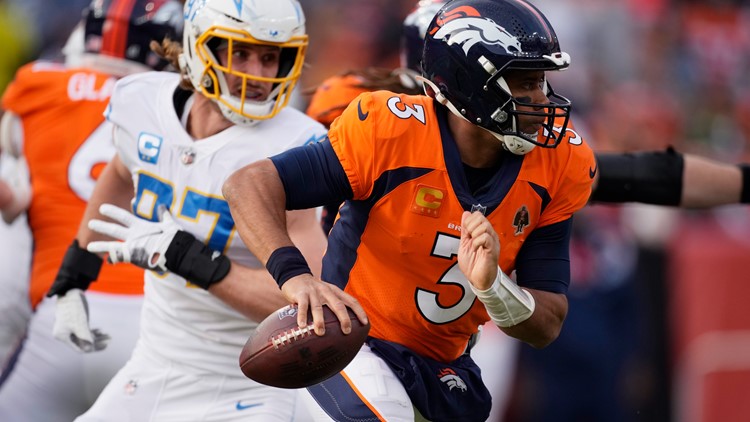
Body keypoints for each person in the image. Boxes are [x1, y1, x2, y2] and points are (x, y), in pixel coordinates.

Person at [223, 0, 597, 420]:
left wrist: (494, 287)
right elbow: (249, 183)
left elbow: (547, 324)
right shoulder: (391, 130)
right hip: (353, 341)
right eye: (524, 83)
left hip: (446, 366)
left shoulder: (559, 164)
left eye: (542, 82)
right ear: (471, 82)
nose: (541, 100)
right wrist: (294, 278)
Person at [45, 0, 328, 420]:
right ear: (201, 48)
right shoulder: (143, 102)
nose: (259, 74)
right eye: (240, 53)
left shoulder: (297, 144)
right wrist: (74, 276)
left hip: (250, 379)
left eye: (271, 57)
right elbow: (122, 174)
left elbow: (306, 306)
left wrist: (184, 257)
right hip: (155, 361)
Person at [0, 1, 182, 420]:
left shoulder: (36, 87)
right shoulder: (188, 106)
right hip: (151, 324)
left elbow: (16, 189)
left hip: (56, 314)